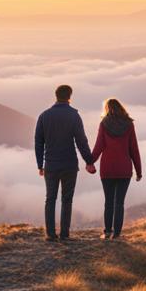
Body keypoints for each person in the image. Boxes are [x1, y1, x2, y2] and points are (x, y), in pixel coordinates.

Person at [34, 84, 94, 241]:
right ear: (70, 96)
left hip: (51, 165)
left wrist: (40, 165)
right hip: (69, 164)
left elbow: (38, 142)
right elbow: (81, 141)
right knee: (67, 199)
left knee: (50, 199)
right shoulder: (74, 116)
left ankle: (50, 234)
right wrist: (89, 161)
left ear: (56, 95)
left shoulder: (44, 116)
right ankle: (65, 234)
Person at [88, 98, 142, 239]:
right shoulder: (129, 125)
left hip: (108, 169)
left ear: (107, 109)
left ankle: (107, 232)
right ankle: (117, 234)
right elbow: (134, 149)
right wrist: (139, 171)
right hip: (124, 169)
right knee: (119, 203)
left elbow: (98, 147)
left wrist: (90, 161)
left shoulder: (104, 124)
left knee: (109, 202)